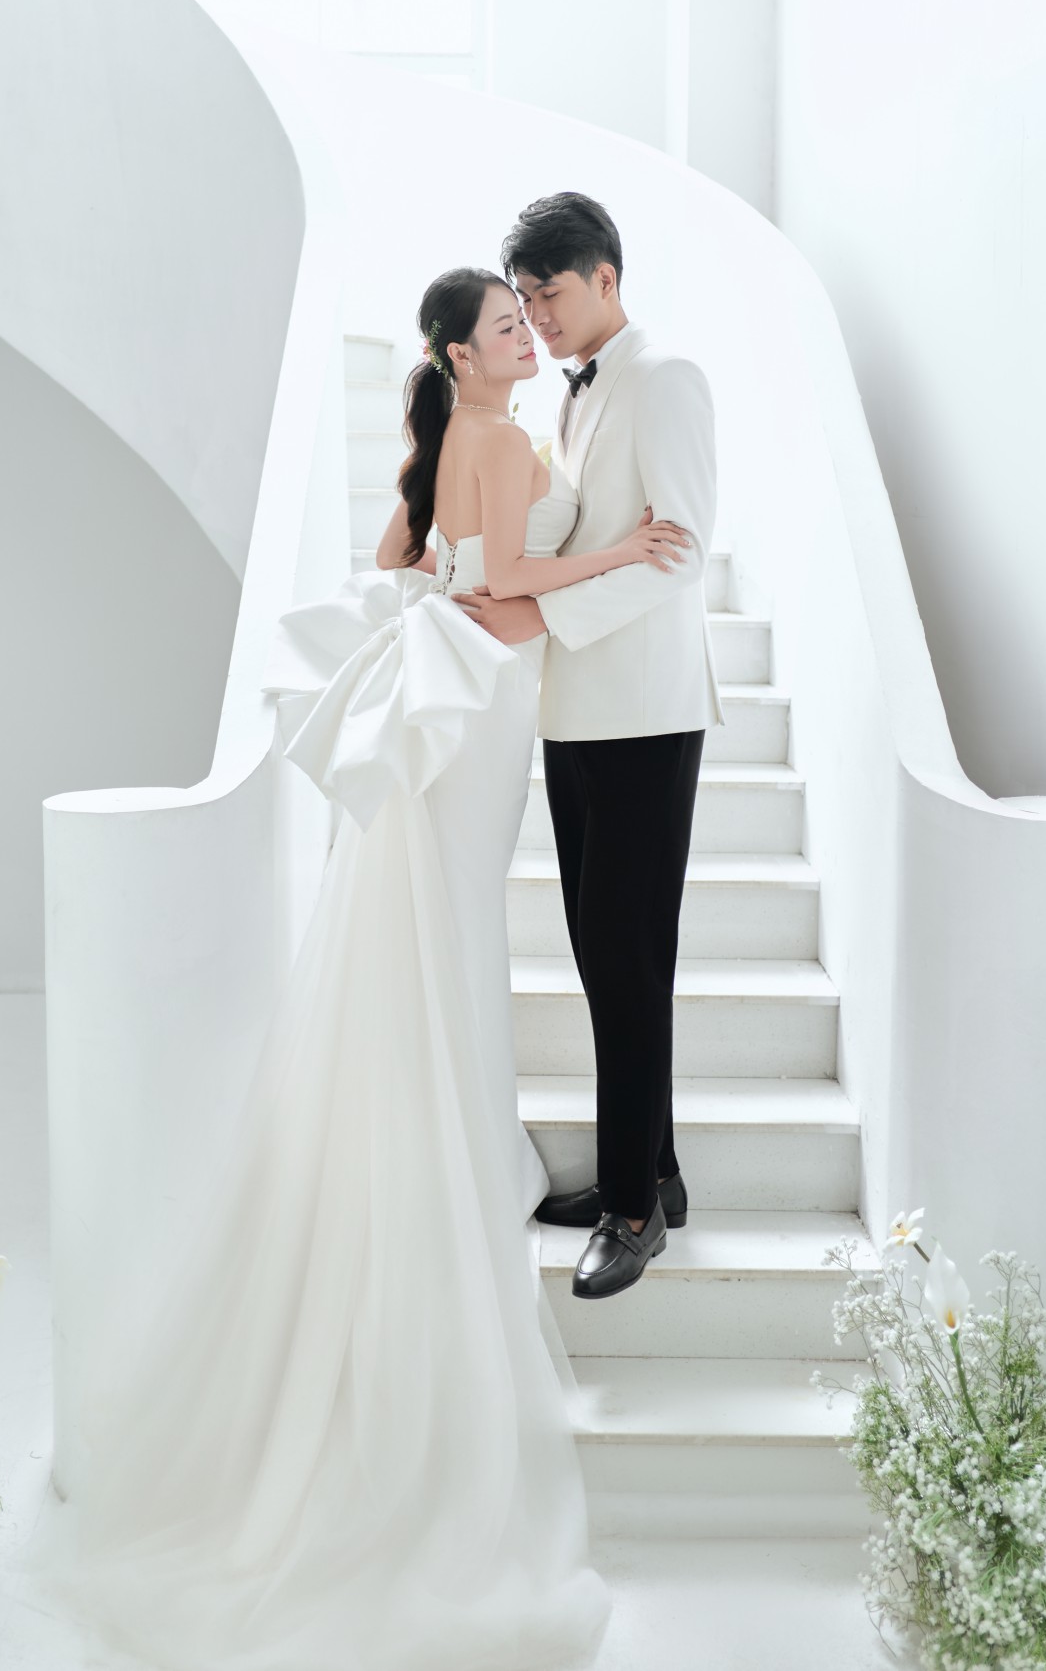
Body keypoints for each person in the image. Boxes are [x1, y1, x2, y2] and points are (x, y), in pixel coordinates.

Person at [19, 265, 689, 1671]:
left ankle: (456, 1135)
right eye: (504, 326)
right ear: (461, 352)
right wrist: (621, 553)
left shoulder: (458, 431)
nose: (524, 336)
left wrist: (471, 581)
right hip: (482, 699)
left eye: (527, 319)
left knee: (446, 920)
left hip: (470, 696)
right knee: (456, 924)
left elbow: (411, 562)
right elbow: (501, 584)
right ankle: (453, 1150)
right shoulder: (492, 434)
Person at [452, 193, 724, 1302]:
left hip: (644, 713)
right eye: (523, 302)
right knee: (599, 952)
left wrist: (541, 614)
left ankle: (630, 1213)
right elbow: (579, 529)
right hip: (574, 711)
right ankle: (651, 1170)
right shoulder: (573, 394)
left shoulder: (665, 378)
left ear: (605, 277)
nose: (538, 319)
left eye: (550, 295)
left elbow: (681, 548)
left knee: (627, 959)